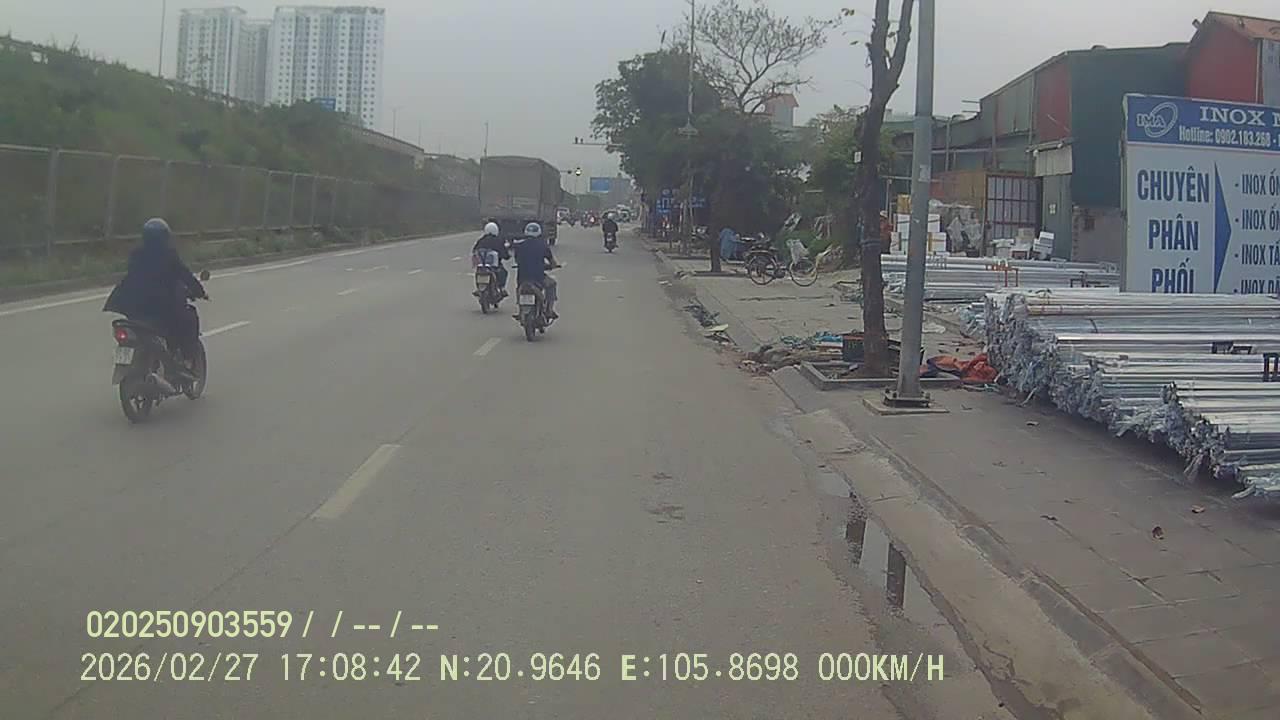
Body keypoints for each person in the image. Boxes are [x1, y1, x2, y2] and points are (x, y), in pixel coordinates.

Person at [102, 218, 207, 378]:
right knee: (189, 319)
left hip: (134, 308)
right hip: (160, 309)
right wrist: (199, 291)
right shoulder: (169, 255)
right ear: (165, 237)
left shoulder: (136, 254)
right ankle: (187, 360)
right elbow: (185, 275)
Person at [511, 221, 559, 319]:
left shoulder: (519, 246)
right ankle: (549, 310)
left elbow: (517, 260)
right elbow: (552, 262)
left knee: (519, 288)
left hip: (522, 278)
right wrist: (552, 266)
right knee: (552, 284)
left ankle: (520, 311)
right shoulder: (543, 245)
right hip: (539, 278)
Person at [471, 221, 509, 295]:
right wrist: (506, 256)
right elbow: (504, 254)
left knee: (478, 273)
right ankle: (502, 288)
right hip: (494, 266)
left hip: (482, 265)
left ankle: (478, 289)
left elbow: (474, 250)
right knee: (504, 272)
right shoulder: (498, 240)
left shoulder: (481, 240)